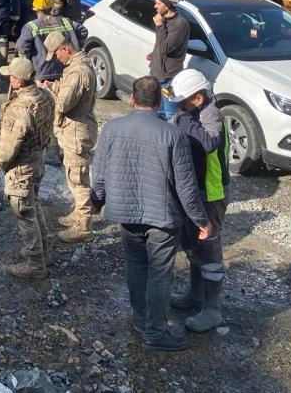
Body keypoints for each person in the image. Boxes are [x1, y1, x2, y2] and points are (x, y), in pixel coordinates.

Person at [89, 76, 211, 352]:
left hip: (126, 213)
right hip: (163, 218)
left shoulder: (113, 128)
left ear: (132, 99)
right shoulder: (173, 135)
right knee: (159, 273)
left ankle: (142, 321)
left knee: (136, 266)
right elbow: (186, 186)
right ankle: (155, 334)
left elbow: (100, 170)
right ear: (159, 102)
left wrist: (96, 200)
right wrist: (201, 220)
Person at [167, 69, 229, 332]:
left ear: (199, 98)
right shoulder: (189, 113)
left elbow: (208, 142)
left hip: (211, 194)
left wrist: (183, 120)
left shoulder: (210, 114)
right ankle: (195, 294)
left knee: (208, 249)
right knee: (191, 244)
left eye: (183, 102)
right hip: (193, 191)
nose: (179, 107)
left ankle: (212, 310)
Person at [0, 57, 56, 279]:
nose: (8, 80)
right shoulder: (44, 96)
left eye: (10, 77)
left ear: (18, 81)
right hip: (37, 159)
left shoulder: (19, 108)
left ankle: (35, 265)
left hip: (21, 167)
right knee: (33, 205)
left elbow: (9, 144)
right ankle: (44, 252)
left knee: (24, 212)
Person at [45, 32, 98, 244]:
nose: (56, 59)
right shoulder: (75, 68)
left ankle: (83, 226)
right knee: (73, 174)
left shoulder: (77, 72)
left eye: (56, 54)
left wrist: (49, 93)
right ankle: (78, 214)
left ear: (66, 49)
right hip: (74, 129)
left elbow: (62, 105)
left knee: (78, 179)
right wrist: (55, 86)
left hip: (76, 131)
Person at [16, 0, 87, 83]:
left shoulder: (31, 26)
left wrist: (26, 68)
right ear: (51, 7)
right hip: (66, 69)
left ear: (35, 9)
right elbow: (83, 31)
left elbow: (22, 49)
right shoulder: (65, 21)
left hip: (42, 72)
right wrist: (76, 47)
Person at [149, 0, 190, 120]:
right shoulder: (163, 19)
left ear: (167, 4)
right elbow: (160, 46)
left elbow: (166, 47)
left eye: (158, 4)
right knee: (155, 111)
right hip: (156, 73)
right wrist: (154, 55)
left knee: (170, 113)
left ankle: (171, 139)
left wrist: (160, 27)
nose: (155, 7)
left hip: (168, 77)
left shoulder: (180, 24)